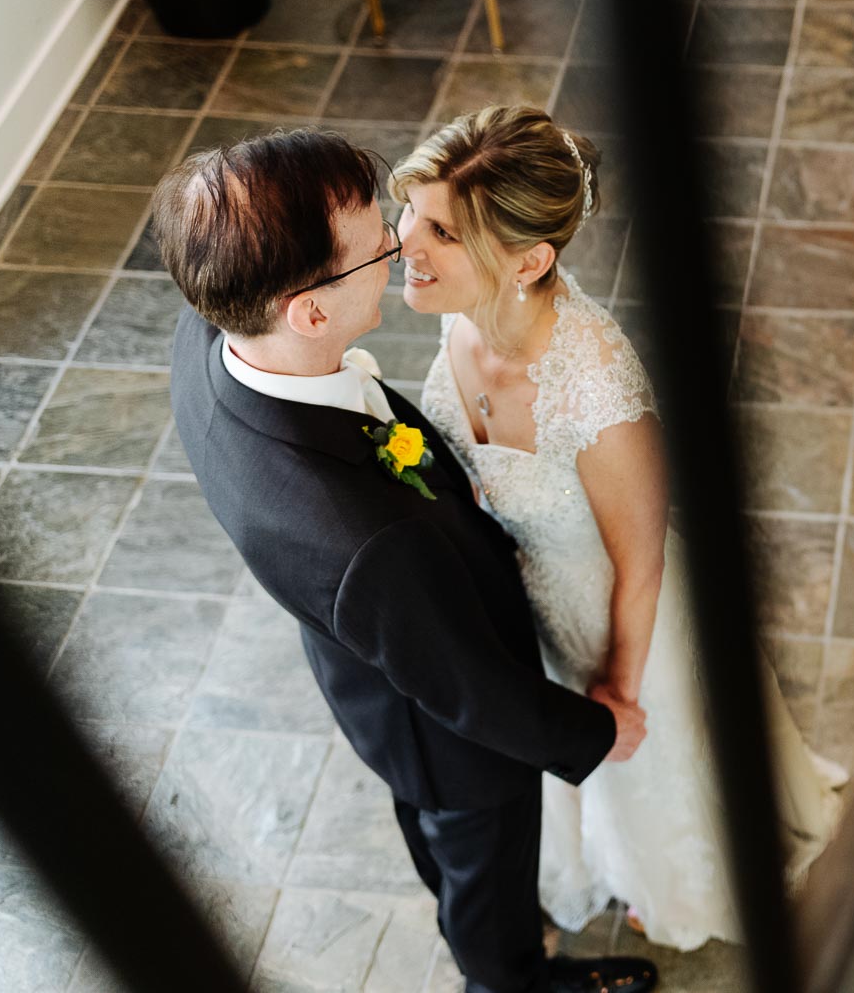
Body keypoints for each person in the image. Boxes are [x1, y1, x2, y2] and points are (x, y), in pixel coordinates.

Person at [156, 128, 659, 993]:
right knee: (479, 858)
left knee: (439, 840)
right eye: (377, 246)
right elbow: (474, 691)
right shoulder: (363, 541)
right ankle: (509, 979)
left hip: (372, 661)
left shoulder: (212, 334)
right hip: (445, 730)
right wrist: (598, 729)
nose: (399, 246)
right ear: (309, 311)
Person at [392, 105, 849, 951]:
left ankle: (672, 879)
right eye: (411, 214)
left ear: (530, 261)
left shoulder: (596, 390)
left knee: (648, 762)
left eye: (442, 233)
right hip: (528, 602)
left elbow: (640, 567)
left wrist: (619, 695)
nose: (405, 244)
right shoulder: (463, 317)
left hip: (618, 614)